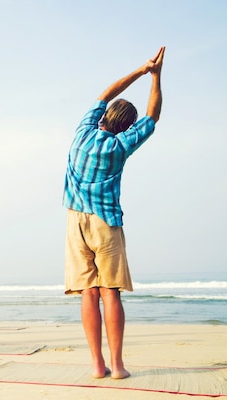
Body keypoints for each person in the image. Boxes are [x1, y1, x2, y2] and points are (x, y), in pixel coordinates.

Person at [63, 47, 165, 379]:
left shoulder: (83, 131)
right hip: (105, 222)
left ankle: (96, 365)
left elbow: (105, 94)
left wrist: (140, 70)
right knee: (111, 292)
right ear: (125, 127)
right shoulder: (119, 146)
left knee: (88, 292)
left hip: (75, 220)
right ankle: (118, 365)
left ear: (105, 116)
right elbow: (153, 116)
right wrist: (157, 76)